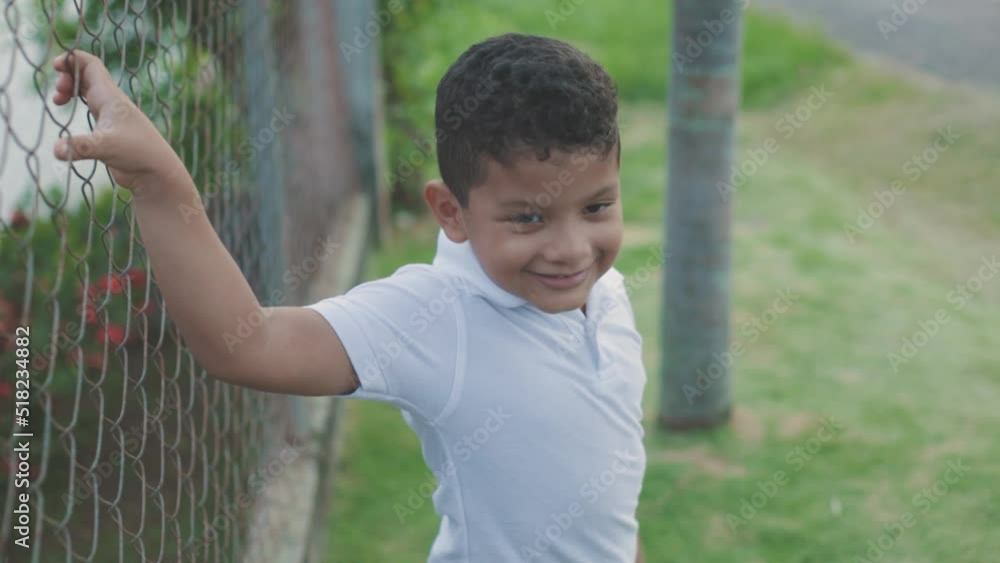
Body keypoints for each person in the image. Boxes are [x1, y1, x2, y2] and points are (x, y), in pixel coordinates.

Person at [51, 32, 647, 563]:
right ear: (451, 211)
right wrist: (159, 182)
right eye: (529, 218)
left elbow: (605, 484)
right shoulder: (438, 317)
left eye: (596, 207)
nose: (571, 250)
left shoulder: (607, 295)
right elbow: (248, 343)